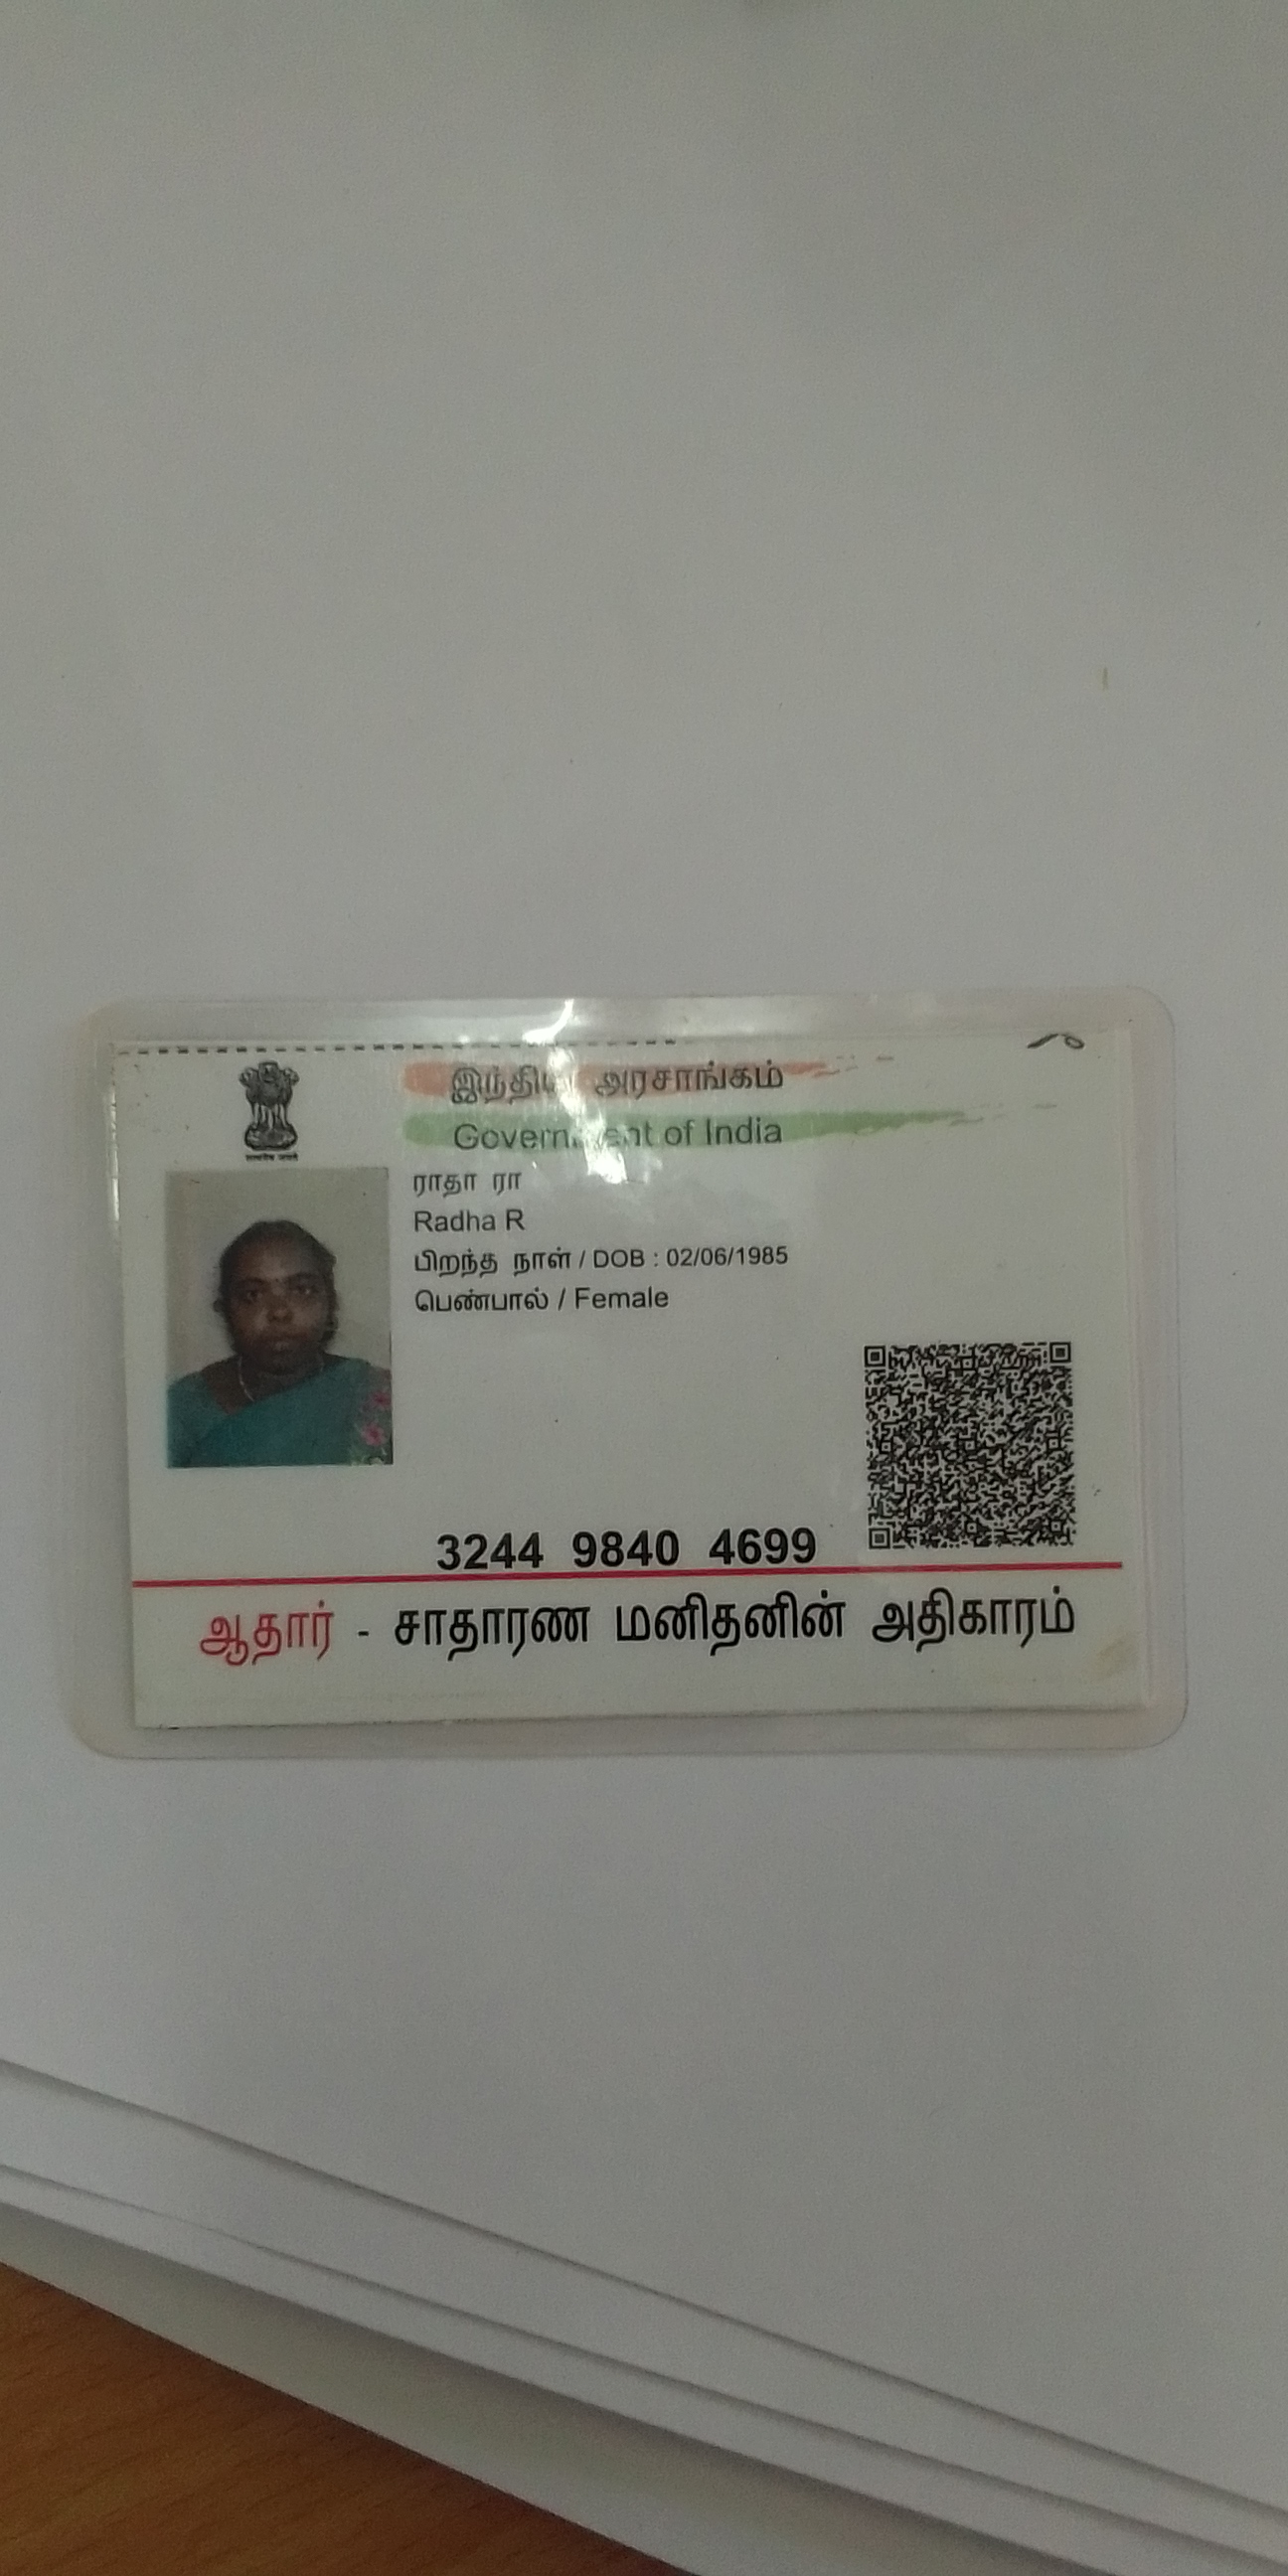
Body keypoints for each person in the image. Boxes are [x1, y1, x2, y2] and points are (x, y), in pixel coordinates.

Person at [168, 1218, 393, 1466]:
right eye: (252, 1295)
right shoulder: (183, 1409)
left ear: (331, 1302)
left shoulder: (377, 1395)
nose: (279, 1312)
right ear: (226, 1310)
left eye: (302, 1290)